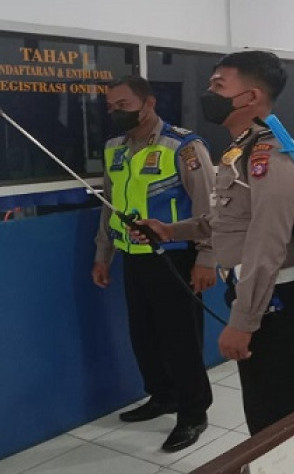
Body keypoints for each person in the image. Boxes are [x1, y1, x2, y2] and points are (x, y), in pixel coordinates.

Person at [135, 51, 294, 439]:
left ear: (251, 96)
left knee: (274, 416)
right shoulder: (241, 149)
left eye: (219, 85)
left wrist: (243, 322)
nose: (209, 92)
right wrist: (170, 230)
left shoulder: (268, 155)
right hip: (268, 296)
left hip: (277, 301)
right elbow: (227, 222)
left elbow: (267, 243)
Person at [91, 75, 215, 452]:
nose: (116, 112)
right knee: (144, 335)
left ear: (149, 103)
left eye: (123, 105)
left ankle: (193, 413)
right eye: (111, 107)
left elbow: (209, 210)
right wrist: (103, 255)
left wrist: (207, 258)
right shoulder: (114, 149)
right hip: (134, 257)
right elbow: (109, 206)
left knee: (181, 340)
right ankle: (163, 396)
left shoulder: (183, 146)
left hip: (175, 257)